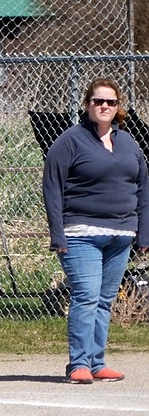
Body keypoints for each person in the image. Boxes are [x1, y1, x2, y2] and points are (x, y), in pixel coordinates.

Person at [42, 77, 149, 383]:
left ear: (118, 108)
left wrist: (144, 233)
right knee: (86, 297)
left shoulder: (128, 143)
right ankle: (78, 364)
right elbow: (52, 188)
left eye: (110, 102)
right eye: (98, 101)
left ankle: (97, 361)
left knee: (104, 300)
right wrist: (57, 234)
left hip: (121, 235)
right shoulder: (70, 141)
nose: (104, 106)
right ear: (87, 105)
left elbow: (142, 187)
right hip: (81, 234)